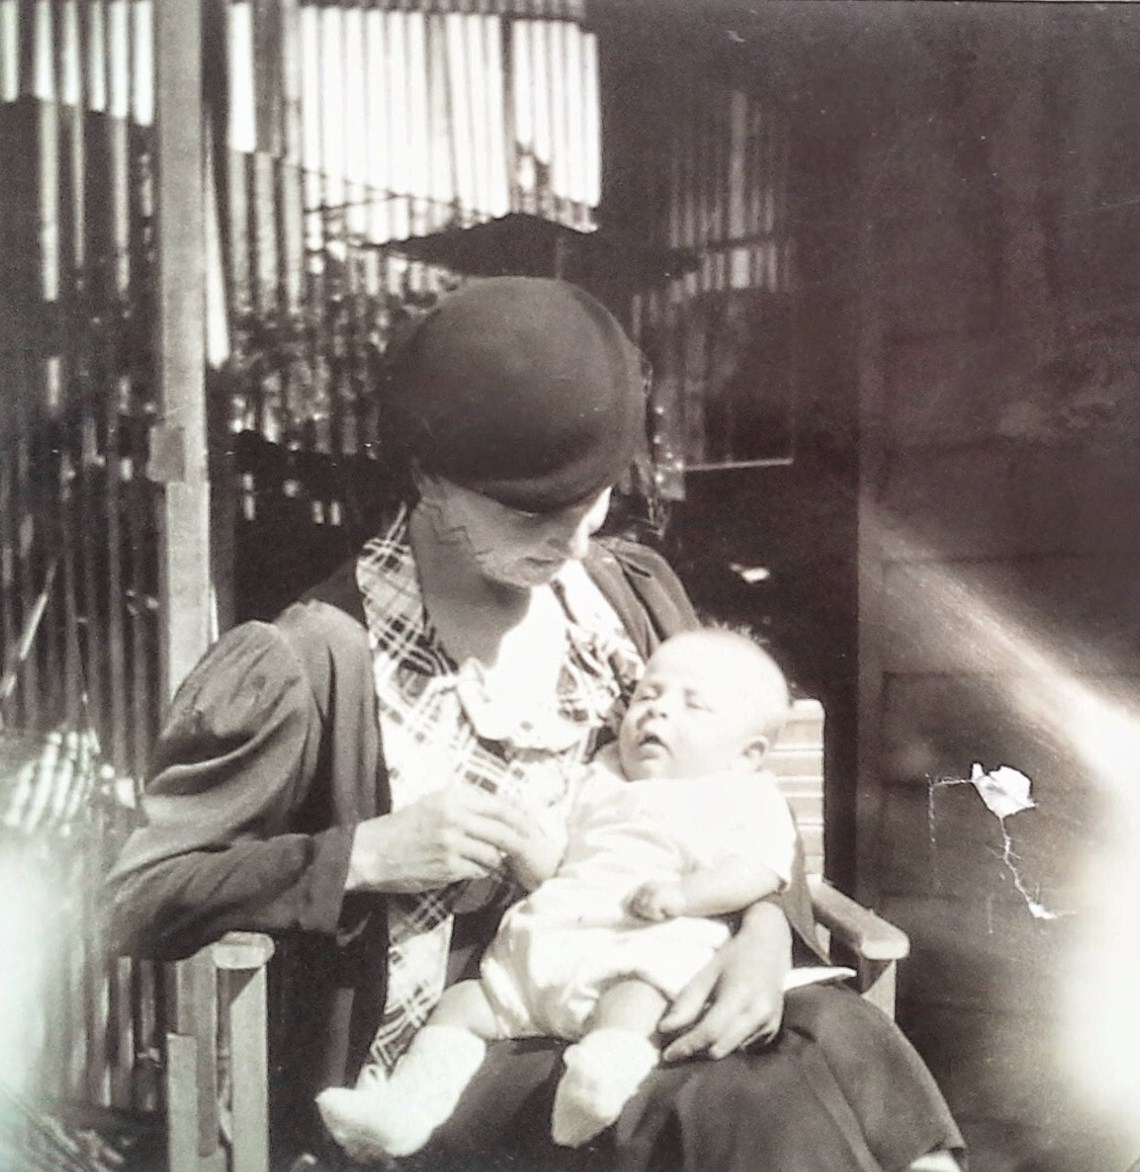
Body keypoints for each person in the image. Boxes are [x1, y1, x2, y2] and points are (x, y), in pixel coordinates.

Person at [106, 277, 965, 1172]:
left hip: (637, 986)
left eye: (593, 499)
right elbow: (137, 896)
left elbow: (729, 796)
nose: (575, 541)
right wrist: (363, 854)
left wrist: (760, 932)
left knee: (827, 1031)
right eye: (531, 513)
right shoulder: (311, 659)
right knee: (742, 1096)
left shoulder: (625, 597)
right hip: (456, 1059)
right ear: (426, 475)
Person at [316, 628, 808, 1160]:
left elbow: (761, 868)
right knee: (464, 1004)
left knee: (636, 998)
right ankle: (406, 1109)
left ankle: (600, 1080)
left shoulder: (742, 794)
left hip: (641, 942)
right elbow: (555, 859)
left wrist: (685, 895)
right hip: (542, 951)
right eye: (647, 695)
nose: (658, 710)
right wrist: (518, 841)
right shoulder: (600, 774)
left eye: (694, 705)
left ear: (747, 754)